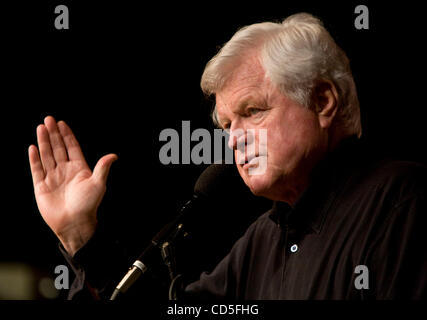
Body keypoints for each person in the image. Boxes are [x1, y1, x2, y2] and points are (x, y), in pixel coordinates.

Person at [29, 13, 426, 300]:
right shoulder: (264, 240)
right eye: (226, 125)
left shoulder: (402, 201)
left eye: (253, 111)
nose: (234, 140)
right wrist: (80, 234)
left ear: (322, 102)